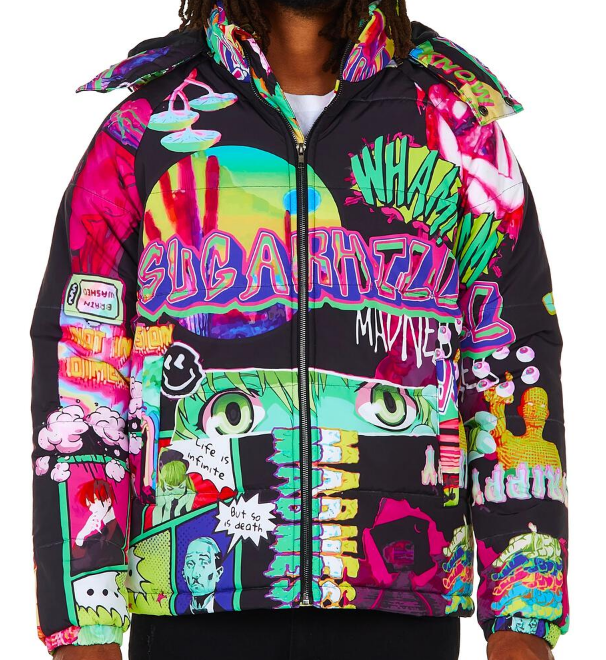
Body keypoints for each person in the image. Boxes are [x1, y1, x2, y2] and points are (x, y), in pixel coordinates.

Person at [29, 0, 568, 659]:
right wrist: (84, 623)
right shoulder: (144, 127)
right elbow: (83, 366)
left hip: (401, 596)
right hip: (194, 593)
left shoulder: (453, 129)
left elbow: (510, 357)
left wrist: (523, 615)